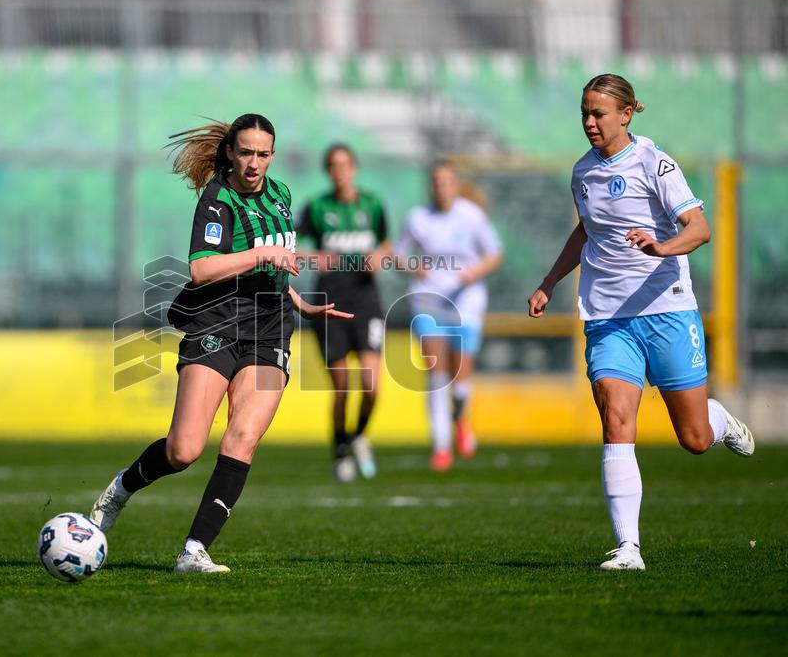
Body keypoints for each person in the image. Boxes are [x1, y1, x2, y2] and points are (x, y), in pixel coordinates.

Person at [91, 113, 352, 574]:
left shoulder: (281, 194)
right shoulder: (217, 199)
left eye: (263, 154)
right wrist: (261, 254)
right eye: (246, 152)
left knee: (243, 437)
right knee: (184, 450)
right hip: (217, 323)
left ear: (273, 154)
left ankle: (194, 551)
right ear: (231, 152)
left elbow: (274, 263)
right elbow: (202, 269)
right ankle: (121, 489)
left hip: (272, 327)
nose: (255, 163)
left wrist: (299, 302)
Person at [527, 73, 754, 571]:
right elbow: (586, 231)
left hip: (667, 308)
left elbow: (700, 228)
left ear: (625, 114)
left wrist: (661, 246)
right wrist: (549, 283)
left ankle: (716, 419)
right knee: (615, 416)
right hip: (608, 316)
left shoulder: (655, 161)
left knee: (693, 439)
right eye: (584, 113)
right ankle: (628, 547)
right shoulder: (582, 172)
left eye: (598, 114)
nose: (589, 122)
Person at [396, 160, 503, 472]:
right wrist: (414, 267)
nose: (440, 187)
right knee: (437, 376)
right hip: (428, 301)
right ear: (431, 186)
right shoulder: (418, 218)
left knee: (459, 380)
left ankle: (460, 416)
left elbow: (494, 253)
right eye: (435, 181)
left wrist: (474, 273)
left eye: (446, 181)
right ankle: (441, 446)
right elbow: (399, 254)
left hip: (466, 301)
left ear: (455, 185)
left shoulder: (471, 216)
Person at [296, 144, 391, 483]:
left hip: (366, 300)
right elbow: (290, 246)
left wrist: (380, 256)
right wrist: (313, 257)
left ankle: (358, 435)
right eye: (334, 165)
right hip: (328, 300)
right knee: (342, 386)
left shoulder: (373, 205)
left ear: (354, 167)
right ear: (327, 170)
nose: (340, 171)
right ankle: (340, 451)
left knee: (371, 385)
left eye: (345, 164)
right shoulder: (317, 207)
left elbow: (386, 244)